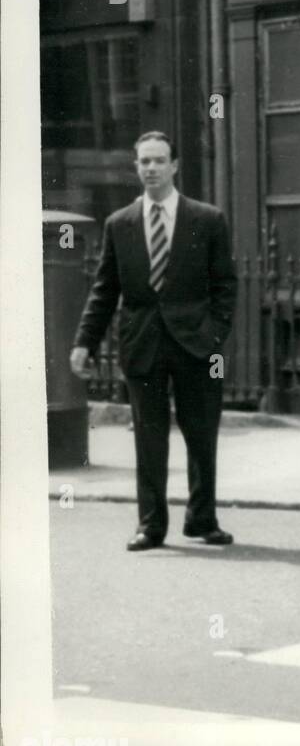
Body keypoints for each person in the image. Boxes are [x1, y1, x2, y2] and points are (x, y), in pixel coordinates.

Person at [70, 132, 238, 550]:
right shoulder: (120, 224)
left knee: (201, 434)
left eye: (159, 160)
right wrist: (84, 342)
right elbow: (105, 290)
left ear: (175, 165)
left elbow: (225, 286)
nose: (151, 168)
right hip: (142, 344)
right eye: (144, 162)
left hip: (195, 345)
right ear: (135, 167)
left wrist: (214, 334)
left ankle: (202, 519)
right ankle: (151, 525)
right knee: (148, 437)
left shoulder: (207, 219)